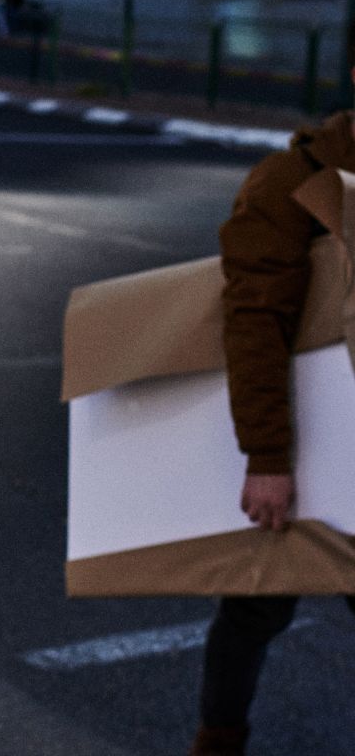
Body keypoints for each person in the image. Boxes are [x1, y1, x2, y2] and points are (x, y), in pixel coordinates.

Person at [188, 94, 355, 755]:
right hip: (304, 448)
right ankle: (218, 741)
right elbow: (255, 322)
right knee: (258, 605)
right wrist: (267, 458)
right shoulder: (290, 184)